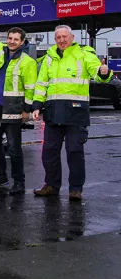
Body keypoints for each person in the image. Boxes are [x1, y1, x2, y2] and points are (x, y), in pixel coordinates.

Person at [32, 25, 114, 200]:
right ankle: (51, 185)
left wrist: (103, 72)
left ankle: (75, 189)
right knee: (49, 151)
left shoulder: (84, 54)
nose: (61, 40)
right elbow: (41, 84)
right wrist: (37, 105)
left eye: (65, 37)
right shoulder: (49, 58)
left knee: (74, 151)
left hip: (76, 112)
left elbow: (97, 72)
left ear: (72, 37)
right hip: (53, 112)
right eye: (58, 37)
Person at [0, 10, 38, 195]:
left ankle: (19, 181)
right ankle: (0, 175)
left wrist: (27, 110)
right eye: (10, 38)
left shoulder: (27, 61)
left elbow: (30, 88)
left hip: (13, 109)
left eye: (15, 39)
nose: (11, 41)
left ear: (22, 42)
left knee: (13, 147)